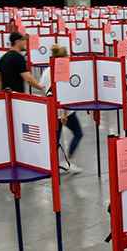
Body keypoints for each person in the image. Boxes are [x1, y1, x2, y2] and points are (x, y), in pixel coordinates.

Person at [51, 45, 82, 175]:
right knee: (78, 133)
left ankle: (56, 164)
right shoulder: (63, 72)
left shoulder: (48, 71)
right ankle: (68, 161)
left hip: (51, 111)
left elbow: (44, 88)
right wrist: (63, 113)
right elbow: (63, 93)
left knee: (55, 140)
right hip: (65, 112)